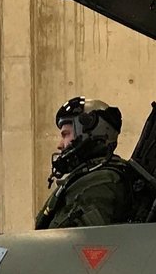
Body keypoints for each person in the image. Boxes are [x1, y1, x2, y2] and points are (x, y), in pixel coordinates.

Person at [37, 96, 140, 229]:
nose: (60, 145)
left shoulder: (100, 181)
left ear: (87, 130)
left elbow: (77, 242)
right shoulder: (90, 177)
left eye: (66, 134)